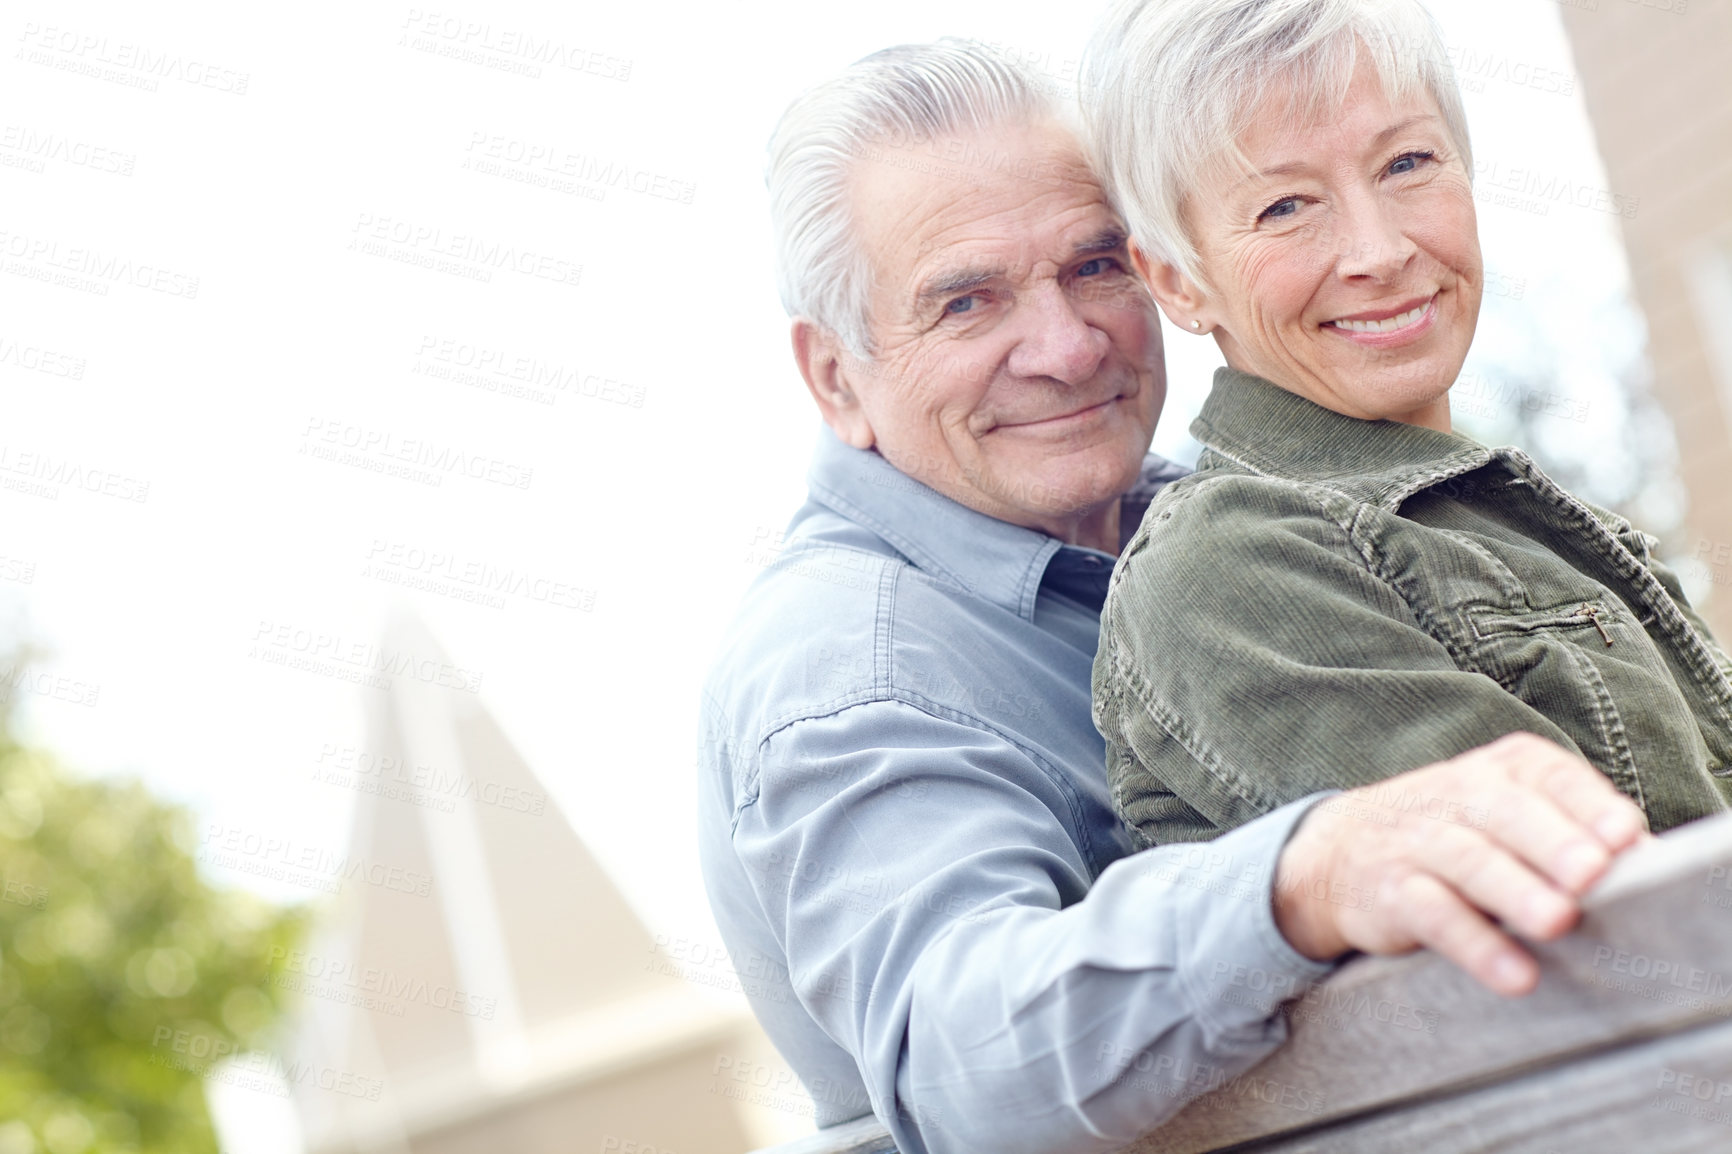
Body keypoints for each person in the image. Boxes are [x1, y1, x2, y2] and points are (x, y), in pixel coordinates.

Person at [697, 38, 1647, 1154]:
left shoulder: (1232, 524)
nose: (1063, 345)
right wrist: (1298, 878)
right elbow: (962, 1054)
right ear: (832, 375)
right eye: (965, 302)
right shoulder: (843, 665)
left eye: (1095, 264)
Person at [1082, 0, 1732, 864]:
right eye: (1285, 207)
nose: (1379, 250)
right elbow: (1604, 912)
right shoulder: (1230, 564)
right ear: (1177, 281)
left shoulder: (1510, 515)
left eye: (1407, 162)